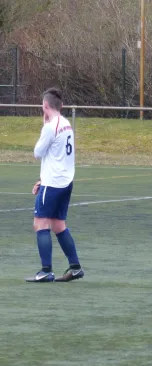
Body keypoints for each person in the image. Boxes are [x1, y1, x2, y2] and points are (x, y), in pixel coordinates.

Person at [26, 88, 84, 283]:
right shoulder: (67, 124)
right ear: (61, 106)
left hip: (53, 184)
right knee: (58, 225)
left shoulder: (50, 127)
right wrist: (43, 179)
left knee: (40, 223)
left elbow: (37, 153)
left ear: (45, 106)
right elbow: (58, 156)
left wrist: (44, 126)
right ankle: (75, 267)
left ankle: (46, 271)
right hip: (65, 182)